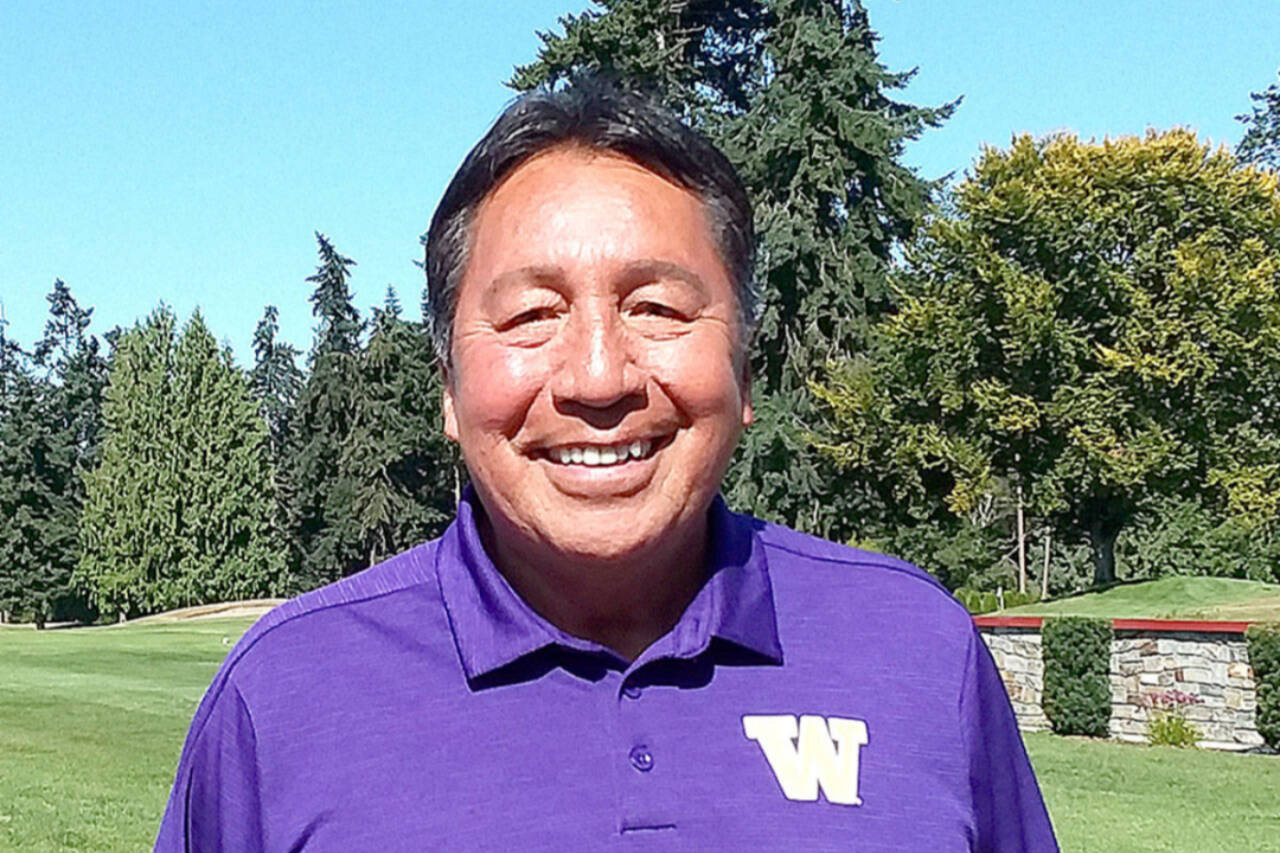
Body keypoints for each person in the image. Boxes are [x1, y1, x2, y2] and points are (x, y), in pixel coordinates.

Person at [155, 77, 1058, 852]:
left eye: (657, 308)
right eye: (531, 315)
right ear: (448, 387)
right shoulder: (282, 699)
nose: (598, 377)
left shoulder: (917, 653)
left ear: (744, 370)